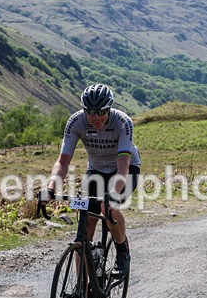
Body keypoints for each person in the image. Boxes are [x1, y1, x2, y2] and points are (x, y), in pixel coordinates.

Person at [43, 83, 141, 277]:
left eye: (101, 111)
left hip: (125, 170)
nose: (95, 117)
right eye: (90, 111)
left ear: (109, 108)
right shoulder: (76, 121)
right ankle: (82, 291)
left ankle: (122, 251)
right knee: (85, 225)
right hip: (95, 171)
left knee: (109, 207)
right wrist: (50, 188)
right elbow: (63, 162)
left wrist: (112, 194)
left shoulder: (123, 122)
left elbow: (123, 167)